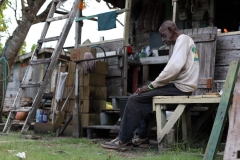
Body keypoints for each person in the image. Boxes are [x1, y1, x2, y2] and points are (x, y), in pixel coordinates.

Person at [101, 20, 199, 150]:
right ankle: (142, 138)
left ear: (171, 30)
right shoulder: (185, 41)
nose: (163, 40)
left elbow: (173, 68)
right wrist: (152, 87)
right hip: (181, 87)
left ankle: (123, 141)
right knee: (139, 96)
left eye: (164, 35)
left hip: (181, 89)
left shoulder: (182, 40)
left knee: (135, 98)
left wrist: (152, 86)